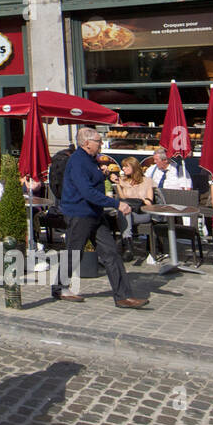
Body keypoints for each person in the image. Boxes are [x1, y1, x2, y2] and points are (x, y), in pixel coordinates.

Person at [53, 127, 145, 308]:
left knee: (111, 254)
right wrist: (117, 204)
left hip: (94, 214)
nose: (101, 144)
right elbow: (87, 192)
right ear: (87, 143)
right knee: (74, 253)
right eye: (98, 141)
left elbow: (91, 182)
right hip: (80, 214)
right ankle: (60, 288)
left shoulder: (90, 159)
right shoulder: (78, 161)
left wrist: (102, 174)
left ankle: (123, 296)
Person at [115, 157, 159, 263]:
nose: (123, 169)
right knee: (124, 211)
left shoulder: (147, 181)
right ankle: (129, 247)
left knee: (124, 213)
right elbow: (123, 199)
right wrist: (118, 185)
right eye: (123, 166)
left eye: (126, 166)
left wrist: (134, 193)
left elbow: (149, 202)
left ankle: (127, 246)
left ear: (134, 167)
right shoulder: (124, 181)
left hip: (143, 213)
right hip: (129, 213)